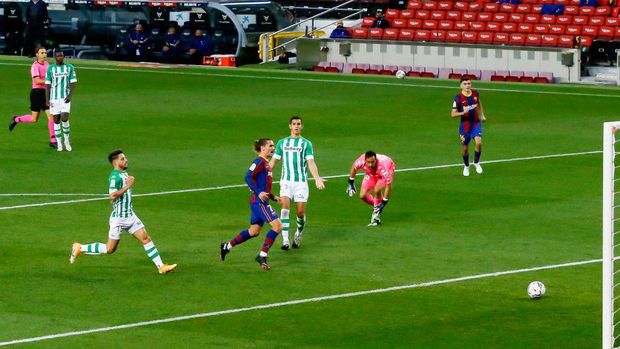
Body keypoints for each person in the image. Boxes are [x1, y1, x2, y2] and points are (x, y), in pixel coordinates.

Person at [69, 150, 177, 275]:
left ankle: (161, 266)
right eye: (122, 159)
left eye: (125, 158)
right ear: (115, 162)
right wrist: (128, 186)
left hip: (130, 216)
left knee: (146, 238)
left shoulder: (124, 173)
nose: (126, 160)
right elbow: (112, 195)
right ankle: (80, 248)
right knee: (110, 249)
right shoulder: (115, 176)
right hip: (119, 219)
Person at [220, 139, 283, 270]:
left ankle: (227, 246)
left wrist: (273, 196)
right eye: (271, 146)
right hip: (259, 202)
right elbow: (248, 177)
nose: (273, 148)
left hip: (258, 200)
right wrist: (259, 192)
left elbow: (262, 185)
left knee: (254, 232)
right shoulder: (259, 161)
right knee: (277, 226)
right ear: (263, 148)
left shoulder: (266, 163)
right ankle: (262, 255)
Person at [269, 116, 325, 250]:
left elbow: (311, 162)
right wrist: (263, 175)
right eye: (294, 124)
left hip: (301, 183)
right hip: (286, 181)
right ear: (290, 126)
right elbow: (273, 161)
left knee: (300, 212)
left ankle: (298, 233)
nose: (296, 126)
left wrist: (317, 178)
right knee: (285, 209)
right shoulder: (282, 143)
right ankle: (285, 240)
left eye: (298, 124)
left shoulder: (306, 143)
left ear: (302, 126)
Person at [9, 46, 57, 149]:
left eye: (45, 53)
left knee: (51, 116)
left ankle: (53, 140)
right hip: (36, 94)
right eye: (42, 53)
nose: (44, 54)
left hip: (46, 93)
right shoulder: (35, 66)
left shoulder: (48, 64)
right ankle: (16, 119)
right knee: (34, 119)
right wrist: (49, 81)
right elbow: (37, 81)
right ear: (37, 54)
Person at [347, 151, 396, 226]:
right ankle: (377, 205)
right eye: (368, 162)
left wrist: (384, 202)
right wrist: (351, 182)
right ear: (365, 160)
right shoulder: (360, 161)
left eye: (372, 162)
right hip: (371, 173)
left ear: (375, 160)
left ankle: (376, 218)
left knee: (377, 190)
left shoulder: (383, 168)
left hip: (388, 168)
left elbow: (388, 186)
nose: (370, 164)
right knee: (362, 196)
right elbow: (354, 167)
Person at [450, 77, 487, 176]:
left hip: (475, 123)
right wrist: (462, 112)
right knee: (465, 148)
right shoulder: (458, 98)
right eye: (465, 84)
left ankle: (476, 162)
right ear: (461, 85)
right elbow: (453, 114)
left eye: (469, 83)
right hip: (465, 126)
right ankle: (466, 166)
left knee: (478, 142)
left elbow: (478, 103)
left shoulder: (475, 93)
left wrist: (482, 114)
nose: (467, 85)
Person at [45, 50, 76, 152]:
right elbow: (47, 85)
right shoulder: (50, 69)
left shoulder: (69, 67)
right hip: (54, 98)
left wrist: (70, 96)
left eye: (62, 56)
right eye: (58, 56)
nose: (60, 57)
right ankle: (59, 143)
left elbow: (73, 82)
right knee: (56, 120)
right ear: (55, 57)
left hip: (64, 98)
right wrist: (47, 99)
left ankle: (66, 140)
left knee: (64, 118)